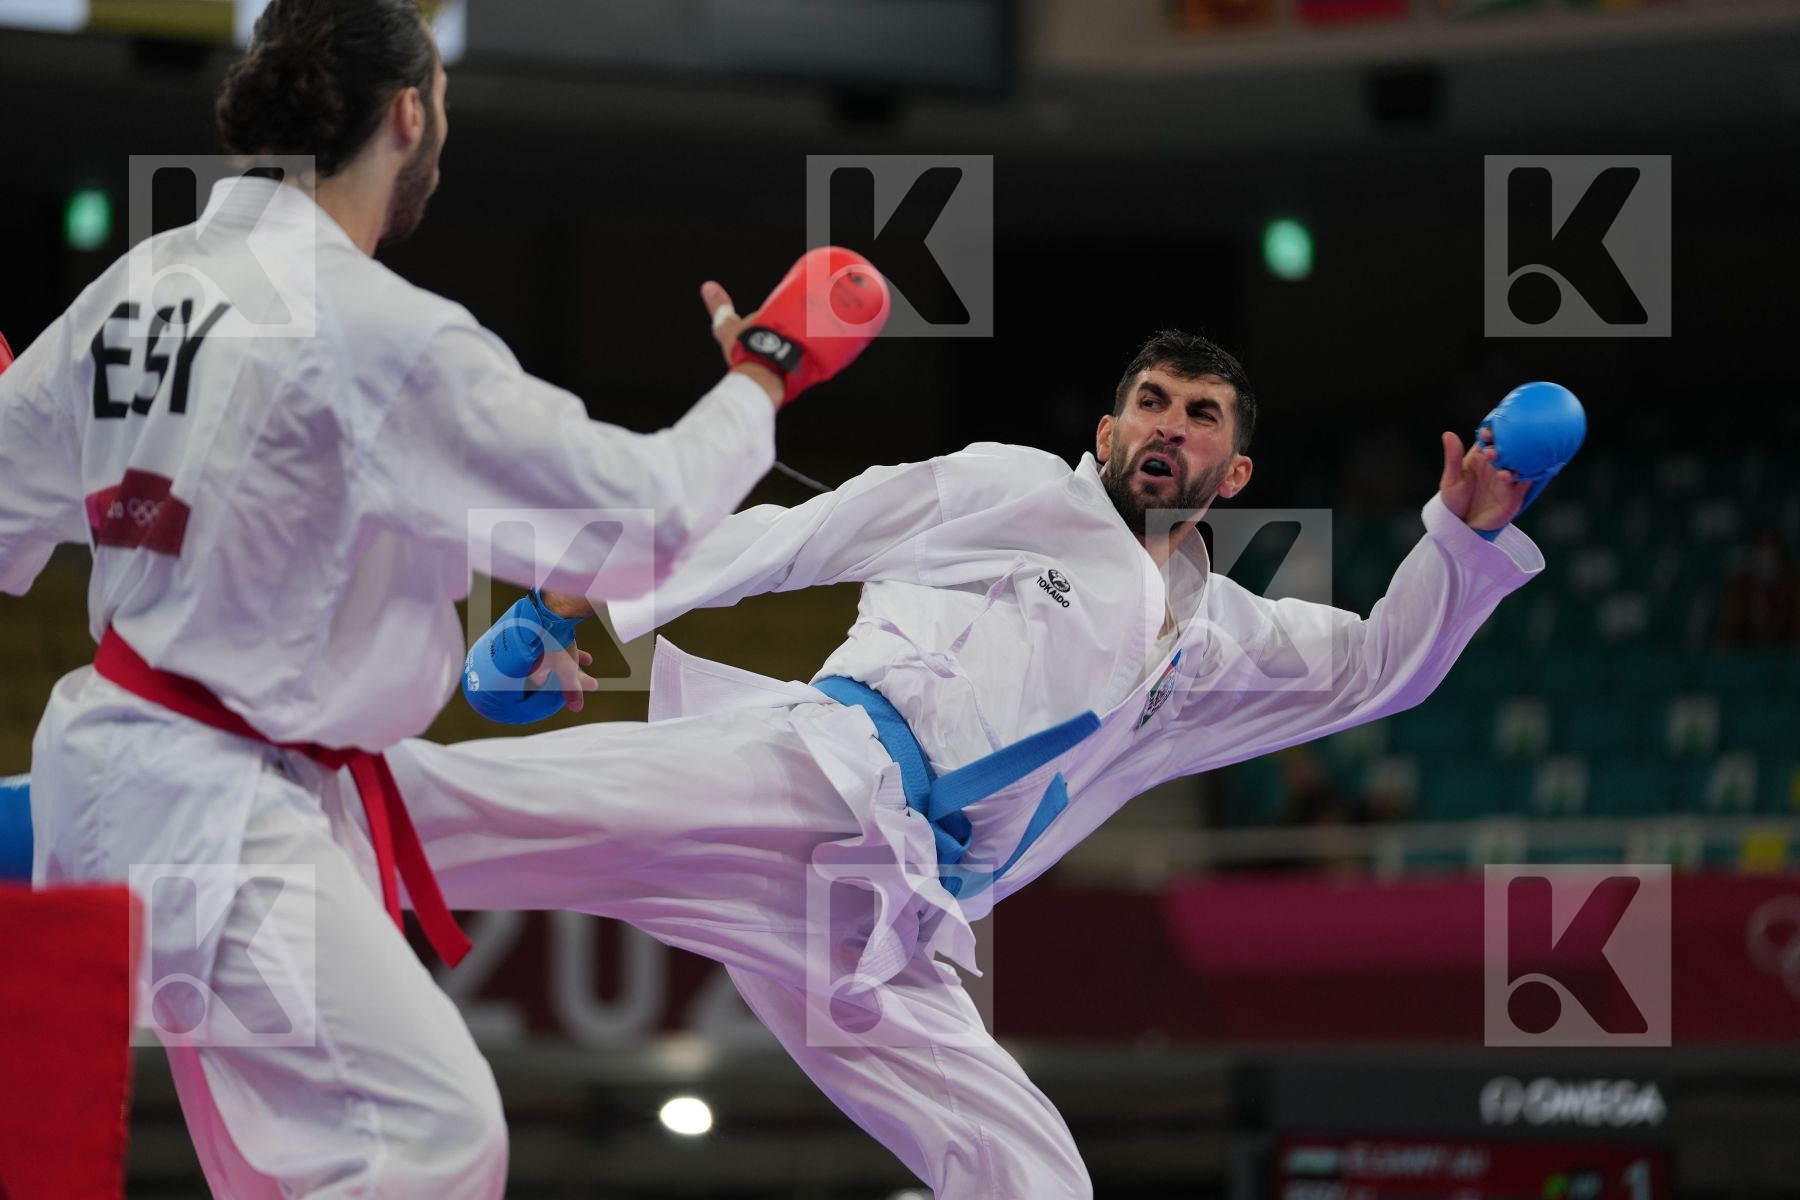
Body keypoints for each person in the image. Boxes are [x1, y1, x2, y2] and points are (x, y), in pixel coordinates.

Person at [0, 0, 880, 1194]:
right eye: (444, 110)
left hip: (124, 784)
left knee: (290, 1171)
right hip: (221, 813)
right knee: (436, 1134)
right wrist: (769, 367)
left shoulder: (135, 287)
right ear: (408, 113)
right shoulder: (382, 333)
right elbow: (645, 516)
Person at [388, 329, 1549, 1198]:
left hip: (890, 926)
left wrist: (1468, 533)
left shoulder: (1222, 642)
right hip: (814, 782)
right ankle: (262, 805)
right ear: (1105, 432)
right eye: (1149, 402)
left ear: (1234, 475)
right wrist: (560, 606)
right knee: (475, 810)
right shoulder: (1009, 489)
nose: (1168, 426)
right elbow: (788, 536)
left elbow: (1383, 670)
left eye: (1201, 416)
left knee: (1036, 1180)